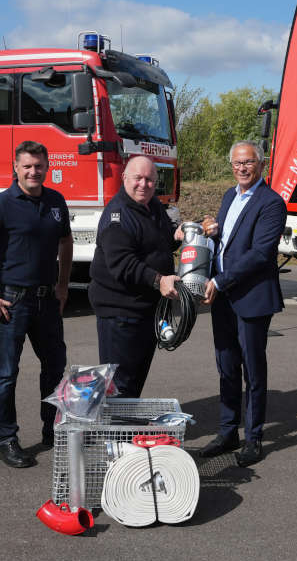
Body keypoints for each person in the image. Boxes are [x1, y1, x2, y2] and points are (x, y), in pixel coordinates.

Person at [0, 140, 73, 468]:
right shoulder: (1, 204)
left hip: (47, 301)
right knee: (7, 373)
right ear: (16, 168)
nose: (33, 171)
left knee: (54, 367)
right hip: (13, 303)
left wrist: (63, 284)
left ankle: (52, 428)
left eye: (39, 166)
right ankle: (6, 439)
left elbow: (65, 241)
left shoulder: (55, 201)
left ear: (47, 167)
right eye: (27, 166)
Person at [89, 155, 208, 397]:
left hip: (146, 310)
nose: (144, 184)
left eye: (150, 180)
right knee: (118, 386)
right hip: (121, 314)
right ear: (124, 178)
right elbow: (122, 264)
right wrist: (159, 280)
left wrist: (180, 235)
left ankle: (127, 428)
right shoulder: (118, 216)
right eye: (138, 178)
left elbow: (160, 242)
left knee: (134, 381)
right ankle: (115, 434)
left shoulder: (151, 206)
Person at [199, 140, 286, 467]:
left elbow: (260, 254)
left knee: (253, 369)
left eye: (248, 162)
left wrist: (220, 281)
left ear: (261, 165)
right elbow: (228, 243)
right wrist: (212, 230)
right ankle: (227, 432)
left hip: (250, 297)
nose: (243, 168)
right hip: (222, 298)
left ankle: (254, 438)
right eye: (237, 163)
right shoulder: (229, 196)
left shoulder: (271, 202)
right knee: (226, 366)